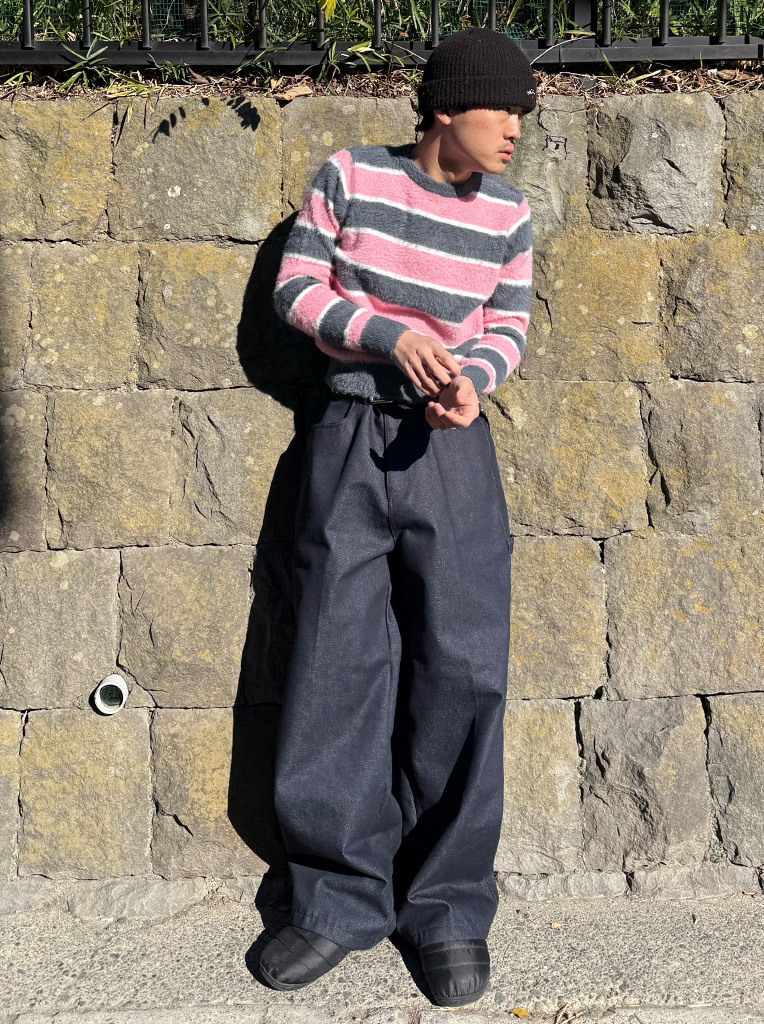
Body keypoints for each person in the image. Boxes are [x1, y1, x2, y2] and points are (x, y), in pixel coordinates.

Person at [260, 26, 536, 1008]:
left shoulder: (509, 213)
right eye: (501, 109)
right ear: (446, 108)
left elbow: (508, 322)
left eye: (522, 113)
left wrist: (474, 380)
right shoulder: (351, 178)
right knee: (335, 658)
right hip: (347, 433)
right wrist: (387, 338)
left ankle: (447, 907)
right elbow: (296, 289)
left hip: (450, 449)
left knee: (463, 664)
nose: (515, 129)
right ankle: (334, 901)